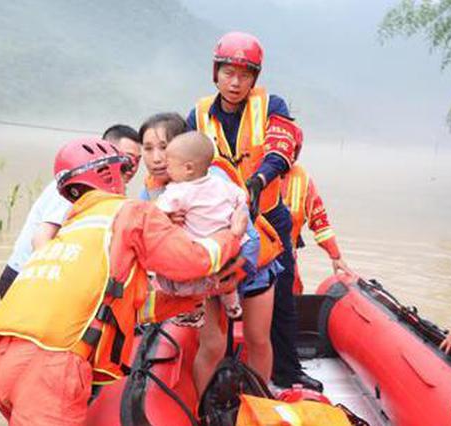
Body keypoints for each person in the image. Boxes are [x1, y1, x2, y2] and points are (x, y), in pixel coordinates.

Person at [0, 137, 249, 425]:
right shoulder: (131, 212)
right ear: (111, 175)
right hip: (51, 370)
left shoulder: (74, 228)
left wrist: (191, 299)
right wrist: (231, 235)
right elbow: (195, 261)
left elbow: (119, 305)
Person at [187, 31, 322, 391]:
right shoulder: (198, 115)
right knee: (218, 294)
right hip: (219, 222)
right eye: (228, 72)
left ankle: (287, 372)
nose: (235, 82)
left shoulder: (271, 105)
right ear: (215, 73)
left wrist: (259, 180)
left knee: (281, 300)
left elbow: (282, 146)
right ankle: (224, 366)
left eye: (245, 74)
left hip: (268, 217)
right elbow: (184, 162)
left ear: (254, 79)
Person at [139, 112, 282, 389]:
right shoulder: (152, 191)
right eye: (147, 148)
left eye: (164, 148)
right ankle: (203, 413)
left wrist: (229, 275)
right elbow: (149, 238)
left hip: (250, 266)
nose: (156, 158)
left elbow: (247, 236)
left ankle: (259, 401)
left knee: (258, 338)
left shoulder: (212, 178)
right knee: (213, 344)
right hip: (205, 271)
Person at [0, 125, 140, 298]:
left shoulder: (108, 192)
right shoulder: (76, 186)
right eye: (127, 158)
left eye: (137, 161)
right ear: (105, 152)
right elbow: (41, 239)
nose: (131, 167)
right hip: (26, 277)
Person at [155, 131, 249, 321]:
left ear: (188, 168)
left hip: (200, 251)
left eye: (170, 165)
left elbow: (155, 212)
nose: (167, 169)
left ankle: (191, 312)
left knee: (173, 278)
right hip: (228, 249)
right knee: (225, 283)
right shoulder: (222, 184)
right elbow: (242, 197)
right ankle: (233, 306)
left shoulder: (178, 191)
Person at [281, 162, 355, 294]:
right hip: (255, 262)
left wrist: (335, 256)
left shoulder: (302, 179)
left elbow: (319, 220)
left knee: (292, 295)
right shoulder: (252, 168)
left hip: (287, 260)